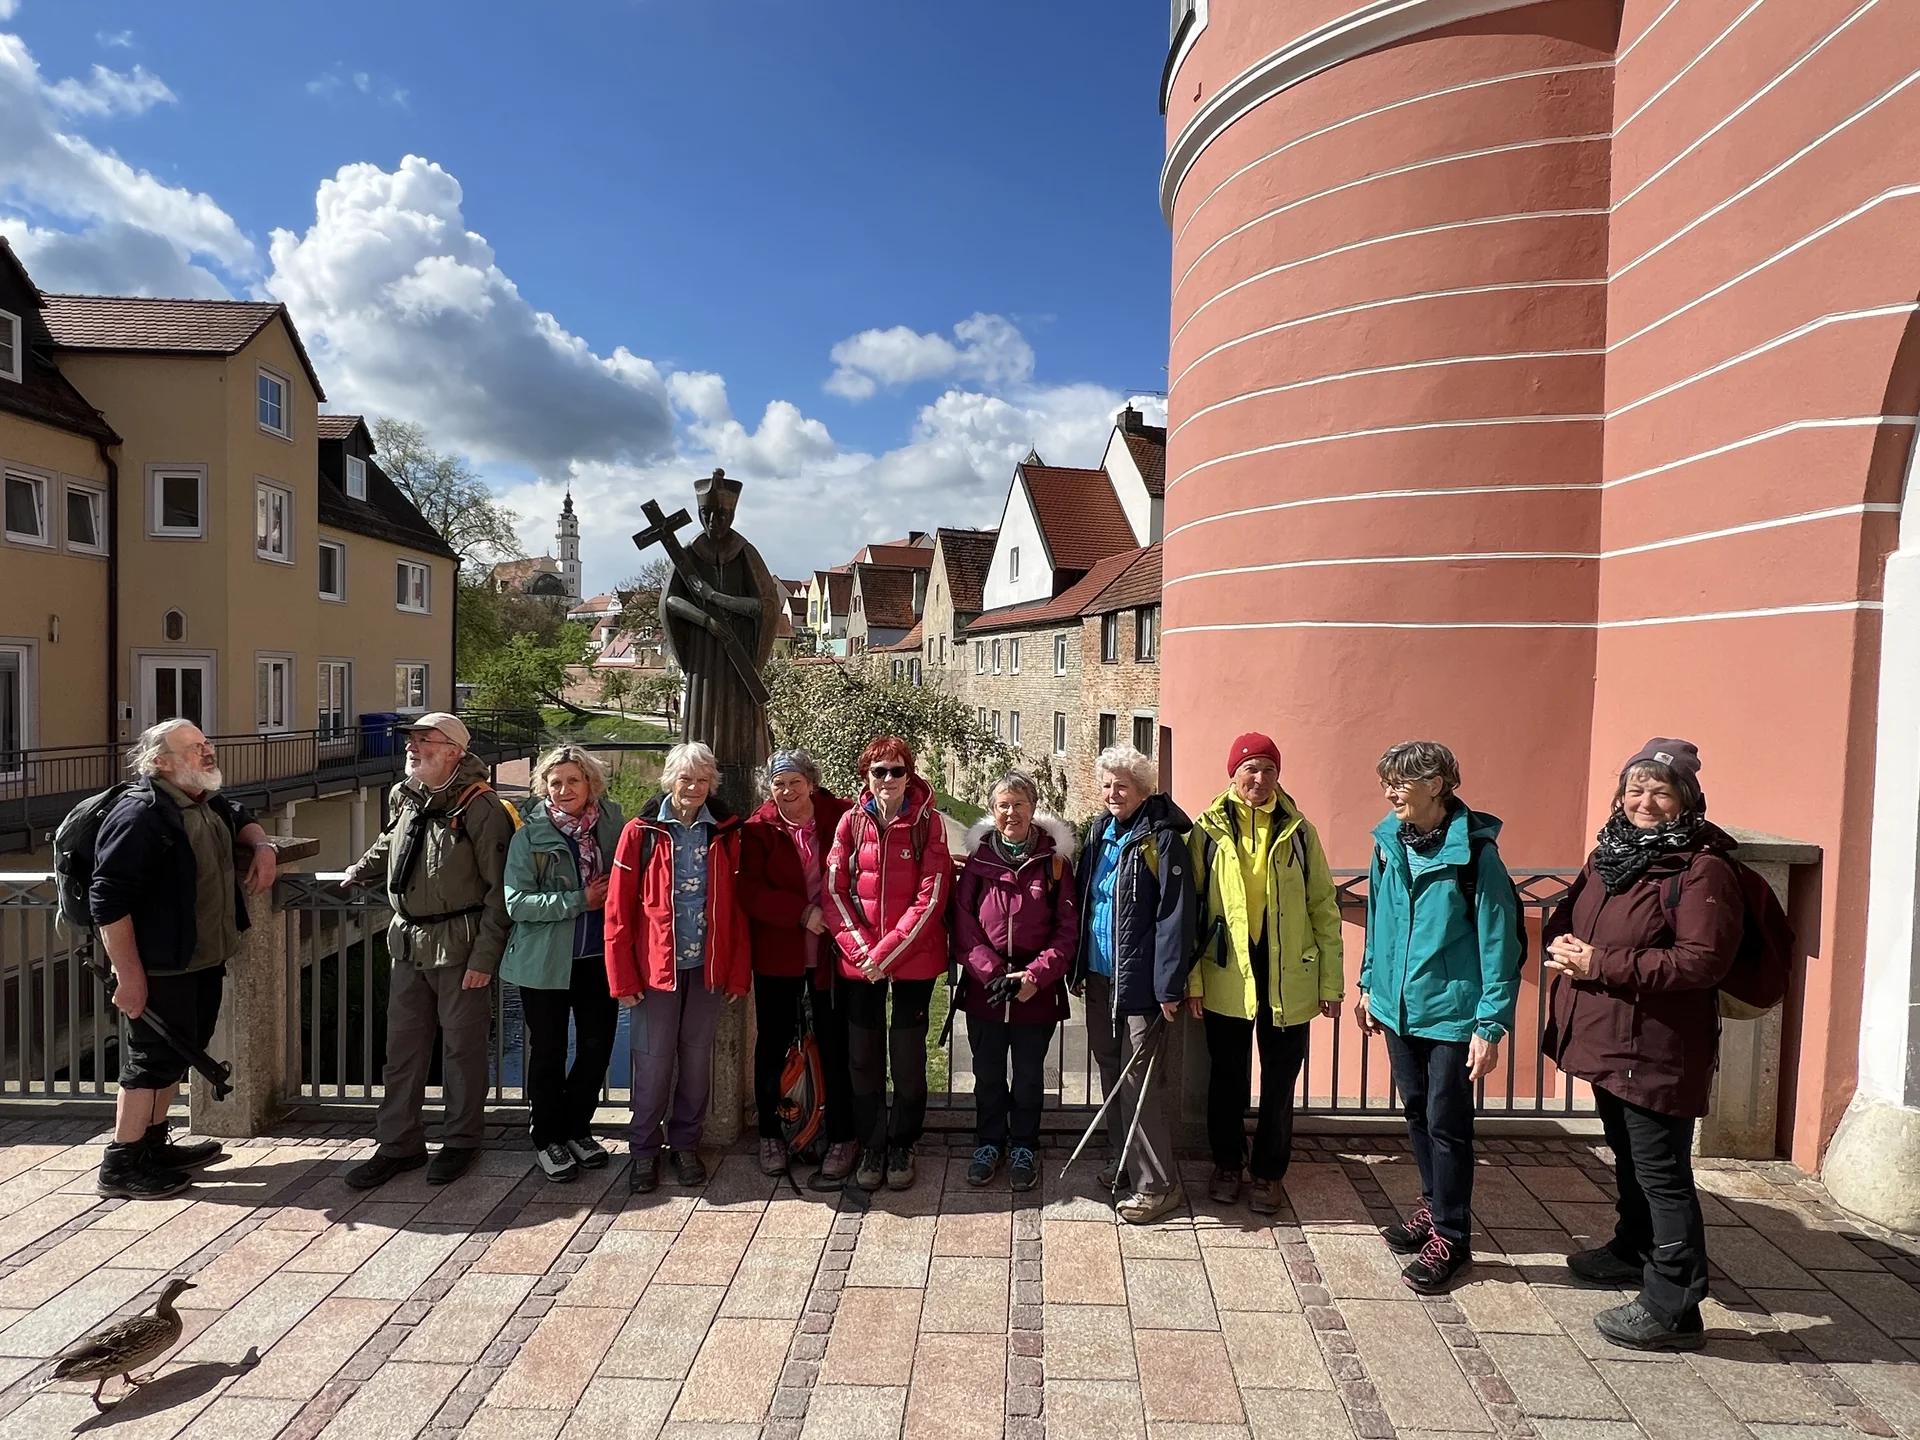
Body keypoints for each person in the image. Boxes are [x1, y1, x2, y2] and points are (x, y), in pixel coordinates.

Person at [1543, 738, 1743, 1352]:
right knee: (1628, 1158)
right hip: (1610, 1042)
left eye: (1660, 790)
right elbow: (1572, 917)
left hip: (1657, 1049)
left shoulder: (1701, 870)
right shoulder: (1611, 854)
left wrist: (1598, 961)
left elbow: (1701, 962)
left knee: (1663, 1174)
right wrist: (1565, 943)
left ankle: (1675, 1307)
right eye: (1635, 788)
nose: (1644, 801)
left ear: (1686, 798)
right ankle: (1633, 1249)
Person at [1357, 741, 1522, 1293]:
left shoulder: (1477, 856)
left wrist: (1490, 1025)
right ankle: (1431, 1208)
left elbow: (1500, 944)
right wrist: (1368, 985)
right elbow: (1378, 921)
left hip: (1453, 1014)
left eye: (1401, 782)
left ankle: (1453, 1237)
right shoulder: (1388, 845)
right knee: (1417, 1113)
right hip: (1400, 1009)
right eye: (1387, 782)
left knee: (1449, 1127)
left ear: (1437, 784)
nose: (1389, 792)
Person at [88, 720, 277, 1199]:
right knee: (148, 1064)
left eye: (207, 743)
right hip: (160, 964)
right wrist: (128, 978)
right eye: (194, 748)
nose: (207, 751)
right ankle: (121, 1163)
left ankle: (153, 1146)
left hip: (202, 958)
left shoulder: (200, 799)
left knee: (179, 1053)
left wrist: (262, 844)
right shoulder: (141, 816)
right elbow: (108, 900)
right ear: (161, 763)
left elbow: (237, 811)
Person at [344, 713, 515, 1190]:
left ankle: (461, 1141)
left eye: (425, 741)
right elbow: (394, 843)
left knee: (461, 1051)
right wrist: (359, 870)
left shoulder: (483, 809)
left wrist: (485, 959)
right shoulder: (407, 796)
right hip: (407, 943)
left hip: (460, 946)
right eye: (412, 740)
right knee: (402, 1051)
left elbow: (501, 892)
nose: (413, 747)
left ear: (455, 752)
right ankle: (398, 1145)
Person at [1187, 733, 1344, 1215]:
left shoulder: (1300, 831)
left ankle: (1270, 1173)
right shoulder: (1207, 830)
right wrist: (1192, 980)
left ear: (1278, 775)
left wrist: (1330, 982)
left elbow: (1324, 906)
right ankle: (1228, 1165)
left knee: (1279, 1080)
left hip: (1287, 973)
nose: (1259, 778)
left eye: (1268, 769)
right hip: (1226, 968)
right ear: (1232, 773)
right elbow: (1189, 911)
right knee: (1227, 1078)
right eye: (1250, 768)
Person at [606, 741, 752, 1193]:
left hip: (706, 968)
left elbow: (737, 908)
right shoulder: (642, 831)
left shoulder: (725, 832)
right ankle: (644, 1151)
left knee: (695, 1060)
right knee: (651, 1064)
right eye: (686, 779)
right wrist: (622, 977)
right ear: (670, 780)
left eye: (702, 779)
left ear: (712, 784)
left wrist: (737, 971)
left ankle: (686, 1144)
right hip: (655, 972)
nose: (693, 787)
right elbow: (617, 909)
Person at [1072, 744, 1196, 1225]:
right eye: (1106, 784)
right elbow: (1087, 902)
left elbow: (1175, 916)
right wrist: (1079, 968)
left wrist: (1169, 986)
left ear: (1143, 789)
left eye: (1121, 784)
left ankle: (1158, 1186)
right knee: (1111, 1073)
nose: (1112, 792)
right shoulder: (1101, 831)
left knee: (1138, 1081)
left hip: (1142, 984)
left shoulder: (1161, 839)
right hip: (1102, 976)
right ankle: (1124, 1162)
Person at [826, 736, 952, 1192]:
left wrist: (885, 955)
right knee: (862, 1056)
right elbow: (834, 890)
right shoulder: (849, 823)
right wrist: (864, 952)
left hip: (912, 959)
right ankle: (872, 1143)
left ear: (909, 774)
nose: (887, 779)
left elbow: (932, 897)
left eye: (896, 771)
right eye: (878, 771)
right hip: (861, 962)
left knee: (907, 1056)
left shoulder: (929, 824)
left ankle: (903, 1141)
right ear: (867, 776)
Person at [500, 745, 625, 1183]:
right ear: (544, 789)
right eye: (555, 783)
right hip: (544, 963)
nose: (565, 789)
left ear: (590, 783)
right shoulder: (529, 835)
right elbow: (517, 902)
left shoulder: (612, 824)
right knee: (549, 1052)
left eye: (573, 780)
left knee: (596, 1048)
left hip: (598, 960)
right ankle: (547, 1137)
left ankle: (577, 1129)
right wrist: (580, 900)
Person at [953, 771, 1078, 1192]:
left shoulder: (1055, 865)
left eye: (1019, 804)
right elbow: (964, 926)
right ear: (993, 811)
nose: (1011, 813)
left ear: (1033, 808)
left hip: (1034, 991)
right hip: (986, 989)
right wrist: (993, 973)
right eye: (1003, 805)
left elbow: (1066, 930)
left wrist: (1033, 976)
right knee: (987, 1073)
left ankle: (1024, 1145)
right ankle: (989, 1143)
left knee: (1027, 1075)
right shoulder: (979, 862)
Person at [737, 749, 857, 1186]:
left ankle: (841, 1134)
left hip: (832, 954)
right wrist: (801, 913)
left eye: (794, 782)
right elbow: (748, 889)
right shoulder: (758, 828)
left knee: (835, 1043)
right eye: (778, 784)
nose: (787, 792)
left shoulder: (842, 815)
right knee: (772, 1042)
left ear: (811, 782)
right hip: (781, 952)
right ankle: (771, 1132)